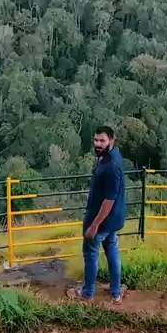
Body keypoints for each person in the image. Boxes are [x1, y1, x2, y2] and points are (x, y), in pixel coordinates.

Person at [67, 125, 126, 304]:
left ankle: (87, 294)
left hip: (101, 219)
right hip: (113, 220)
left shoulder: (111, 166)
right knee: (112, 250)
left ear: (112, 140)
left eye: (102, 140)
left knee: (91, 253)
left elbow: (109, 200)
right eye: (96, 140)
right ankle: (116, 293)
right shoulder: (111, 156)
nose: (98, 144)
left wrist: (94, 225)